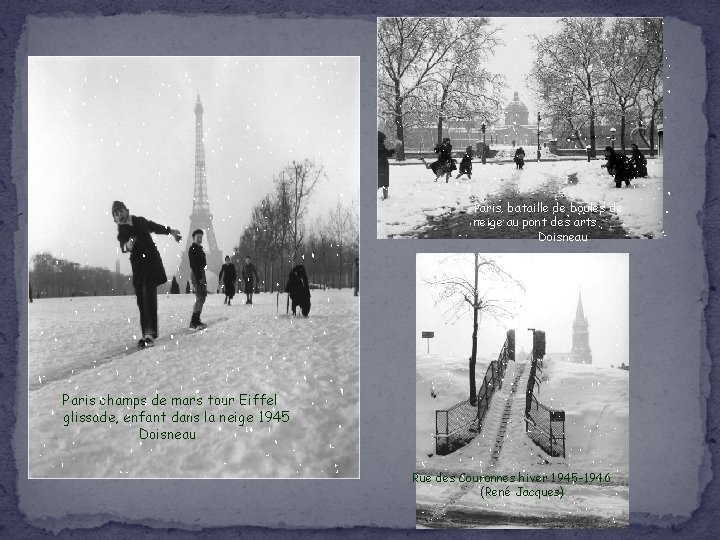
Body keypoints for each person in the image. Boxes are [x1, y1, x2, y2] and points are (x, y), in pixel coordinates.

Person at [112, 201, 182, 347]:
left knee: (148, 294)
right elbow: (123, 246)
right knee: (141, 299)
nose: (120, 215)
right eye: (116, 214)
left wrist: (170, 231)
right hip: (138, 266)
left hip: (150, 262)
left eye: (121, 211)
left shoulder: (140, 221)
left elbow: (154, 227)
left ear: (127, 211)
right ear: (115, 219)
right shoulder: (122, 232)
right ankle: (146, 333)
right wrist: (128, 246)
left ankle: (150, 333)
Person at [188, 229, 208, 330]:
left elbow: (203, 263)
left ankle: (197, 319)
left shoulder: (200, 248)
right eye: (198, 237)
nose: (200, 239)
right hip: (197, 274)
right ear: (194, 238)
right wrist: (199, 277)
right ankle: (193, 321)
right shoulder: (193, 249)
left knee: (202, 297)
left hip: (201, 273)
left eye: (201, 237)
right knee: (199, 297)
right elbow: (193, 265)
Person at [378, 131, 395, 200]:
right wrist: (393, 150)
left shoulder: (376, 144)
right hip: (382, 165)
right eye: (384, 139)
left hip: (378, 165)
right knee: (384, 182)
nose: (385, 140)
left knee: (378, 181)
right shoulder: (380, 145)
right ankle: (385, 196)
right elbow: (385, 154)